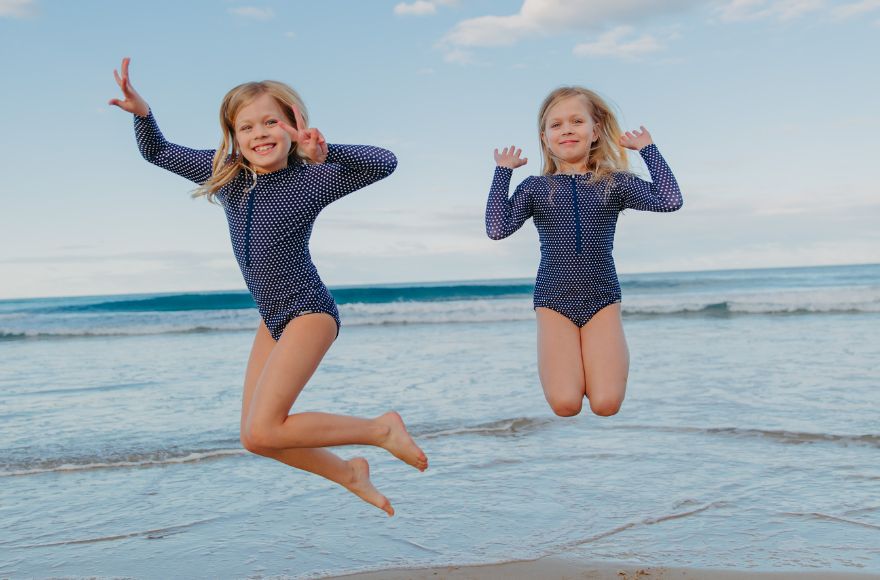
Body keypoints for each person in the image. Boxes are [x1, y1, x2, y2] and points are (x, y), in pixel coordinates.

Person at [110, 57, 427, 516]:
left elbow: (386, 162)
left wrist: (327, 149)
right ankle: (349, 473)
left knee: (265, 428)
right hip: (273, 319)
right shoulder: (227, 176)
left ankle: (380, 429)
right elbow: (158, 152)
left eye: (271, 122)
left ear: (293, 125)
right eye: (246, 127)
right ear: (233, 136)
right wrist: (143, 115)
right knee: (256, 437)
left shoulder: (310, 178)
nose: (259, 133)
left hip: (308, 312)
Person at [485, 86, 683, 418]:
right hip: (553, 299)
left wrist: (648, 149)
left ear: (595, 131)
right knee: (565, 404)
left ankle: (594, 362)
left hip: (602, 298)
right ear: (545, 138)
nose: (567, 130)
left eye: (577, 121)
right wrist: (502, 172)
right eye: (556, 124)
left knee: (606, 404)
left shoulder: (614, 183)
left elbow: (669, 200)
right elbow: (497, 228)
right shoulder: (536, 188)